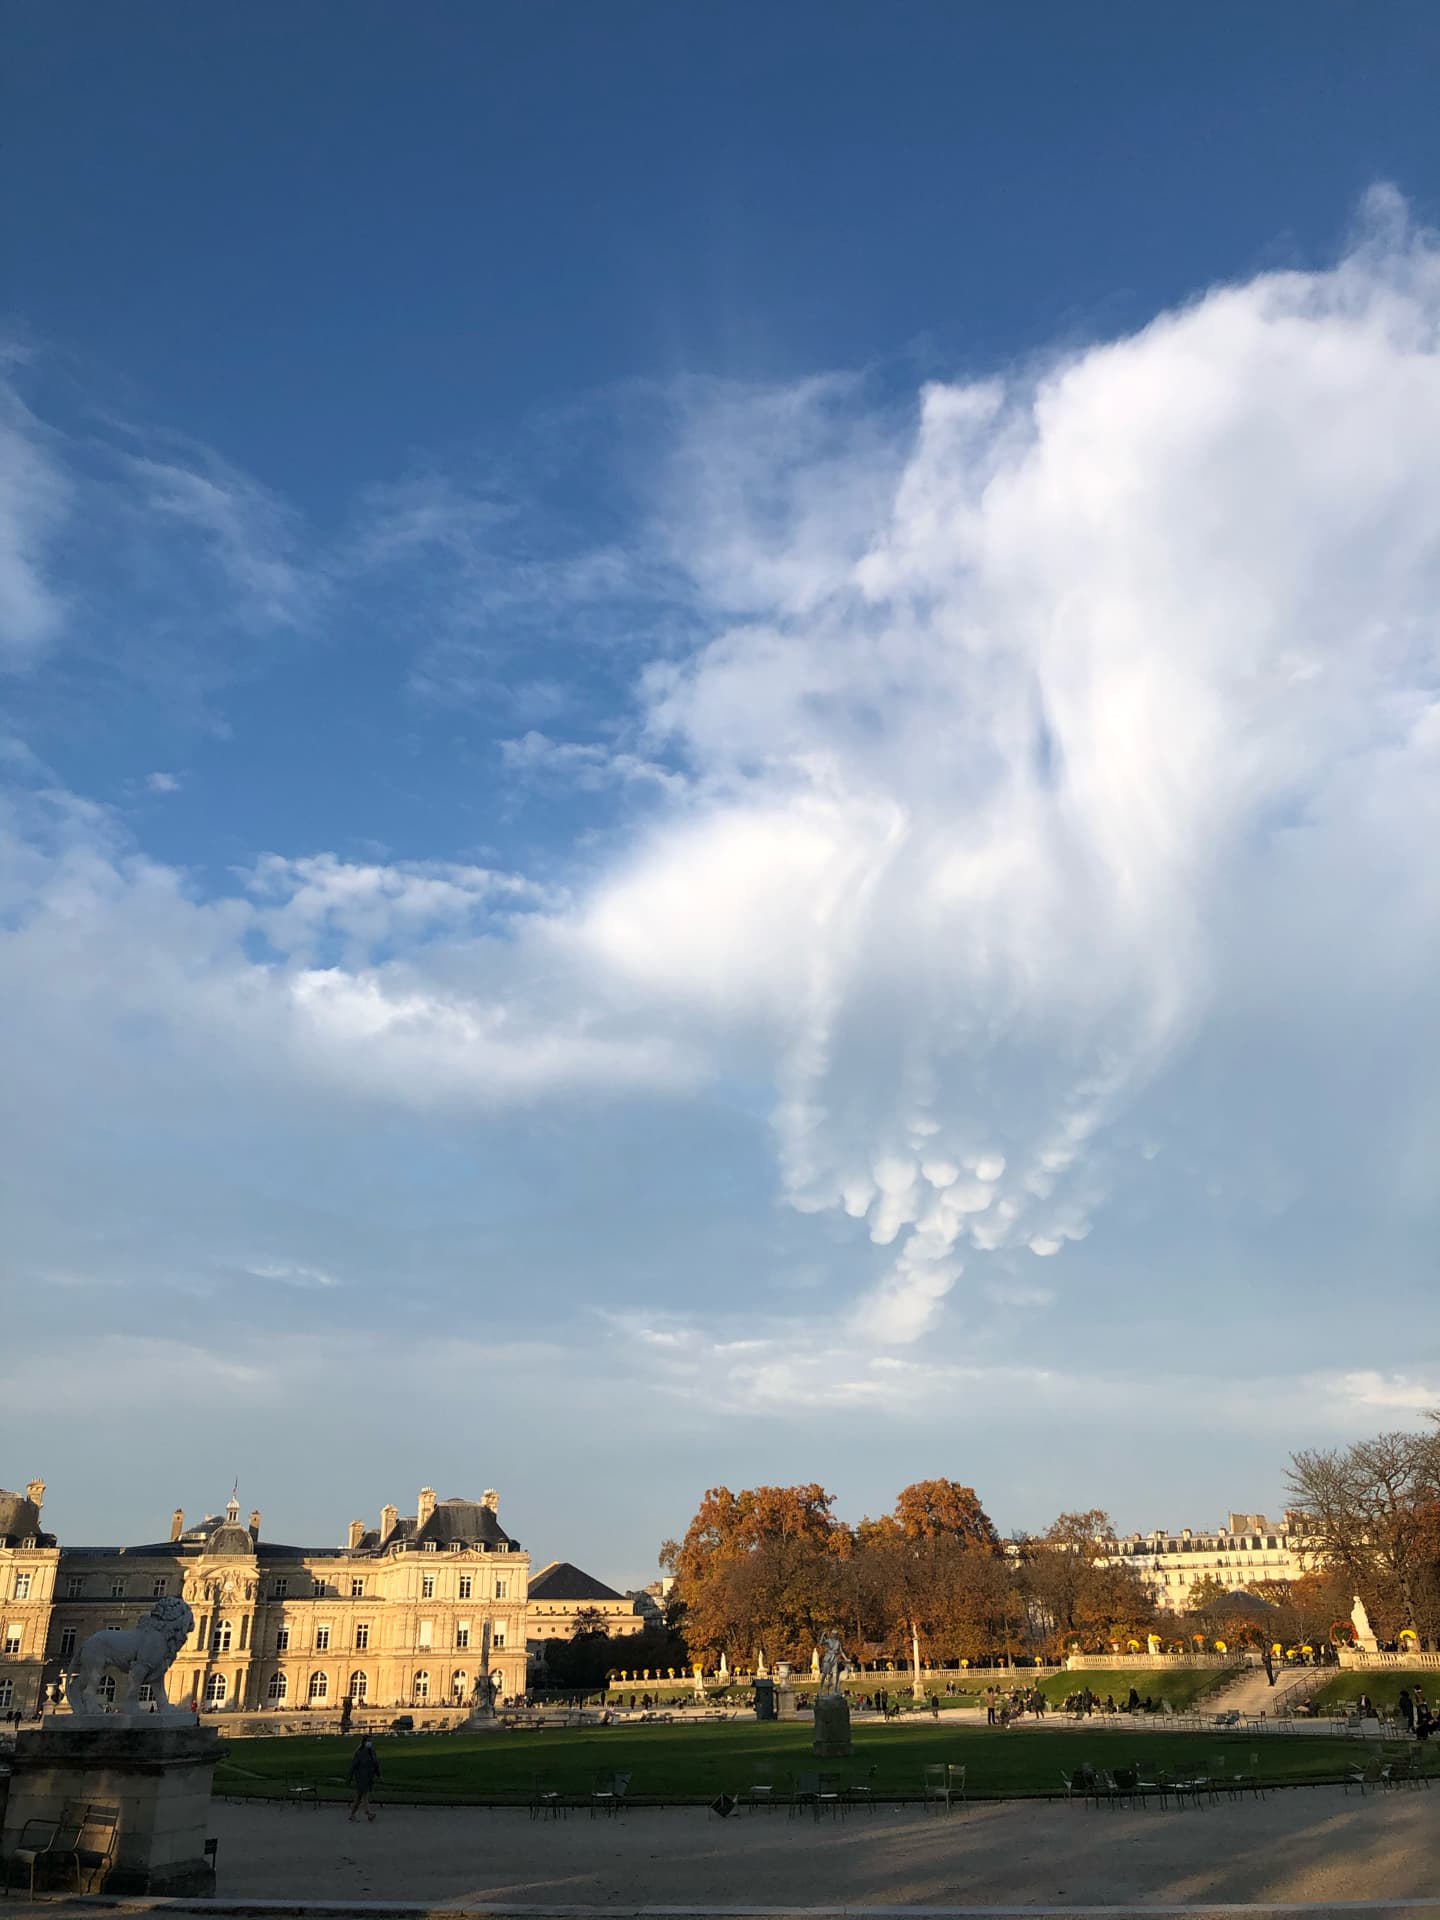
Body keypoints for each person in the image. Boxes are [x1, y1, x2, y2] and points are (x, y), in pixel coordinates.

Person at [347, 1735, 381, 1823]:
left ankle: (352, 1814)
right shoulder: (360, 1753)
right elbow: (354, 1765)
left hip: (368, 1777)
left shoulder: (372, 1752)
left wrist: (377, 1774)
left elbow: (375, 1763)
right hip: (361, 1777)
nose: (370, 1742)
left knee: (359, 1797)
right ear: (365, 1742)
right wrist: (350, 1777)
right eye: (369, 1741)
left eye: (371, 1741)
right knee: (364, 1795)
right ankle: (369, 1813)